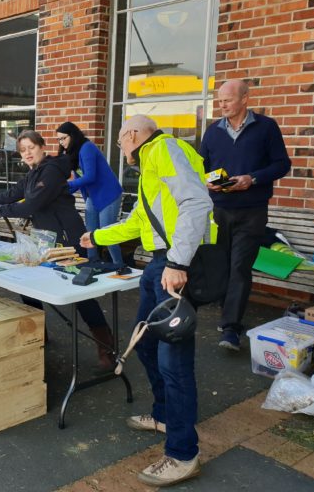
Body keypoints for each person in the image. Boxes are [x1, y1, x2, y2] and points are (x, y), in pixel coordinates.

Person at [81, 114, 212, 487]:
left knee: (174, 363)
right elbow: (140, 222)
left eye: (121, 140)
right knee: (146, 345)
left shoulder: (162, 148)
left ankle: (183, 454)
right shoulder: (151, 164)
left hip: (173, 265)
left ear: (134, 135)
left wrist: (177, 261)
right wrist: (99, 237)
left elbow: (196, 203)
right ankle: (166, 416)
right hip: (159, 264)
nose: (120, 149)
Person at [0, 130, 115, 369]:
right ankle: (38, 335)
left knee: (82, 296)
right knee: (30, 287)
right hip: (46, 241)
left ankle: (106, 345)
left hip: (71, 241)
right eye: (22, 150)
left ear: (42, 147)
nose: (27, 153)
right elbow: (13, 194)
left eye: (31, 148)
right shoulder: (33, 174)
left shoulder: (52, 170)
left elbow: (31, 205)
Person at [199, 79, 291, 351]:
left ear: (245, 99)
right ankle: (229, 311)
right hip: (220, 209)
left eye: (227, 100)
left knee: (240, 266)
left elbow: (282, 164)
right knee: (223, 264)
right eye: (220, 100)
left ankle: (230, 328)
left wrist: (253, 178)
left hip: (252, 210)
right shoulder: (213, 131)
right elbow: (202, 166)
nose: (222, 105)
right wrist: (209, 181)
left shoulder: (266, 127)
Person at [56, 121, 124, 265]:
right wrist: (62, 190)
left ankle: (119, 265)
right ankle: (93, 263)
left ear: (72, 136)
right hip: (93, 197)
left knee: (107, 235)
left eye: (63, 138)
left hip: (108, 195)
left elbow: (90, 176)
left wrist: (66, 185)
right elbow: (79, 178)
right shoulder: (73, 152)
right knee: (90, 233)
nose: (61, 143)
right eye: (59, 139)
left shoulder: (87, 148)